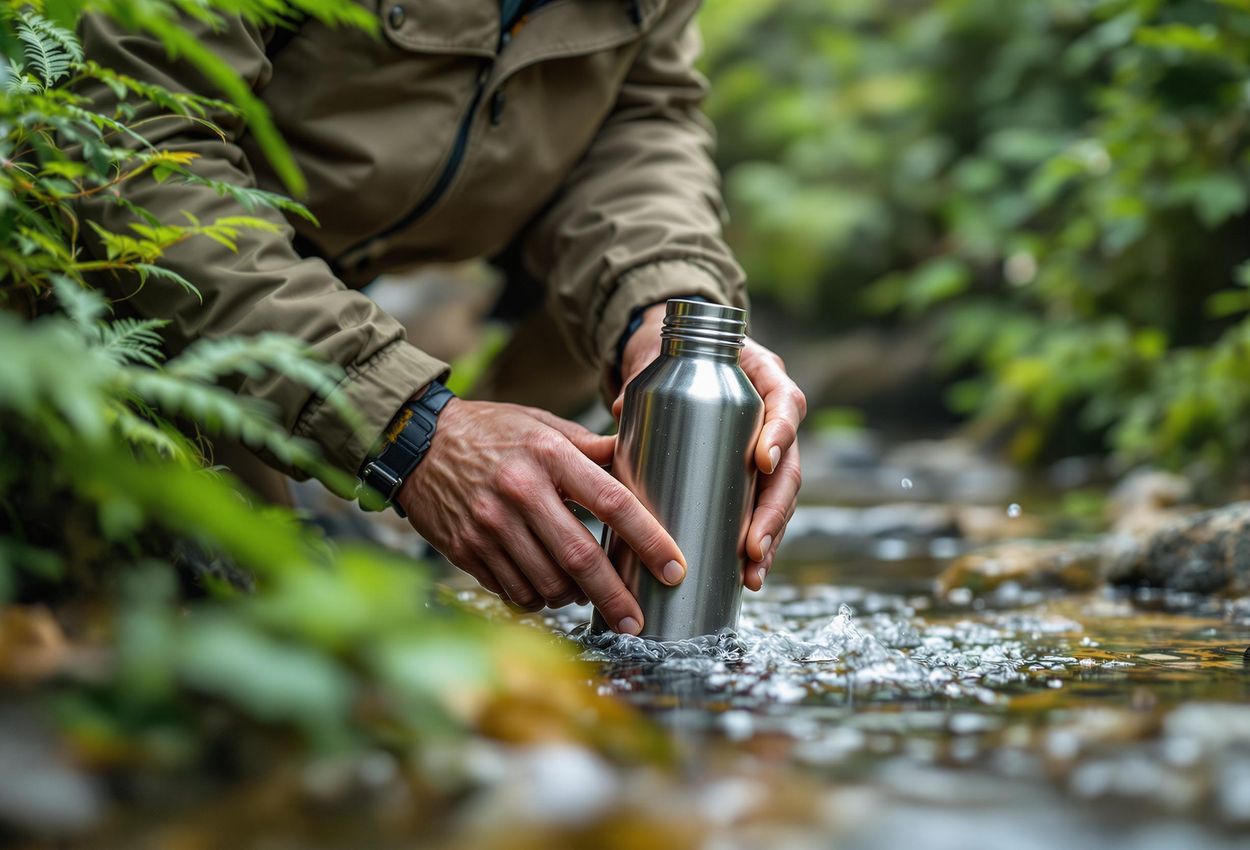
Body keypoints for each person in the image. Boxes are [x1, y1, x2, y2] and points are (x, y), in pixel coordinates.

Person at [77, 0, 806, 636]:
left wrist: (666, 313)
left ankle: (464, 524)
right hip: (148, 283)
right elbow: (134, 150)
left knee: (355, 615)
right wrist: (410, 429)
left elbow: (642, 122)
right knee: (237, 618)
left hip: (360, 263)